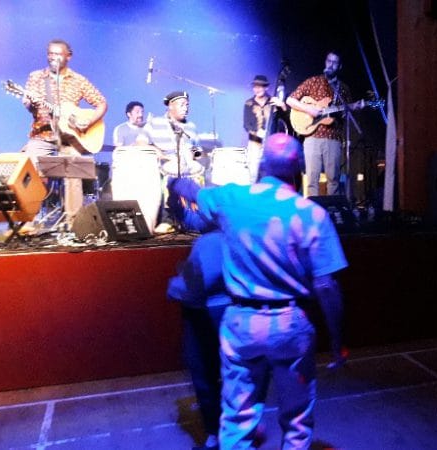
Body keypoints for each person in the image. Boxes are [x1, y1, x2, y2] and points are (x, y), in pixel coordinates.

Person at [167, 133, 348, 449]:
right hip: (290, 324)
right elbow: (326, 286)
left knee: (237, 420)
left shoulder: (233, 198)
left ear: (261, 164)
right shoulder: (312, 214)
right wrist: (336, 341)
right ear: (299, 169)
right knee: (297, 421)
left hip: (242, 322)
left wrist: (173, 183)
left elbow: (189, 191)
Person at [21, 38, 108, 220]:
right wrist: (29, 102)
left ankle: (73, 222)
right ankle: (27, 221)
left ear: (68, 56)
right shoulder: (36, 77)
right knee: (27, 171)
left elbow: (101, 103)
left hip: (70, 138)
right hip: (42, 134)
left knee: (74, 175)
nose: (53, 57)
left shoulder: (78, 80)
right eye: (50, 54)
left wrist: (88, 121)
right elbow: (29, 106)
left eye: (58, 54)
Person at [167, 230, 229, 450]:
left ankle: (217, 436)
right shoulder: (242, 230)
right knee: (233, 375)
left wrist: (174, 286)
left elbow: (197, 286)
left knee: (204, 374)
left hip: (207, 313)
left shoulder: (212, 240)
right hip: (232, 311)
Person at [287, 51, 362, 196]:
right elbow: (290, 100)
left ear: (340, 66)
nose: (331, 65)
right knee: (312, 179)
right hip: (312, 136)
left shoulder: (343, 89)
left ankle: (333, 208)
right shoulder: (313, 81)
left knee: (333, 180)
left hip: (333, 137)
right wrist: (309, 109)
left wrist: (353, 108)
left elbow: (345, 115)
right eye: (329, 61)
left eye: (335, 62)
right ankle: (312, 208)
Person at [145, 91, 205, 232]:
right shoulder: (155, 122)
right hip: (167, 164)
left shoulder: (191, 126)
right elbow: (141, 142)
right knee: (170, 177)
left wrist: (195, 156)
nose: (186, 108)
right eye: (182, 105)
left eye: (187, 105)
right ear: (171, 105)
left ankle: (193, 218)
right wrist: (162, 155)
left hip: (187, 165)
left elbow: (197, 150)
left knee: (198, 176)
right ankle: (167, 219)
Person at [243, 74, 286, 183]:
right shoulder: (248, 103)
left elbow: (286, 119)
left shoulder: (273, 102)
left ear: (266, 87)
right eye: (255, 86)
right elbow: (247, 125)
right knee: (253, 173)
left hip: (271, 143)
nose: (257, 89)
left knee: (271, 173)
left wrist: (282, 105)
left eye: (260, 86)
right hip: (255, 142)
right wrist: (259, 133)